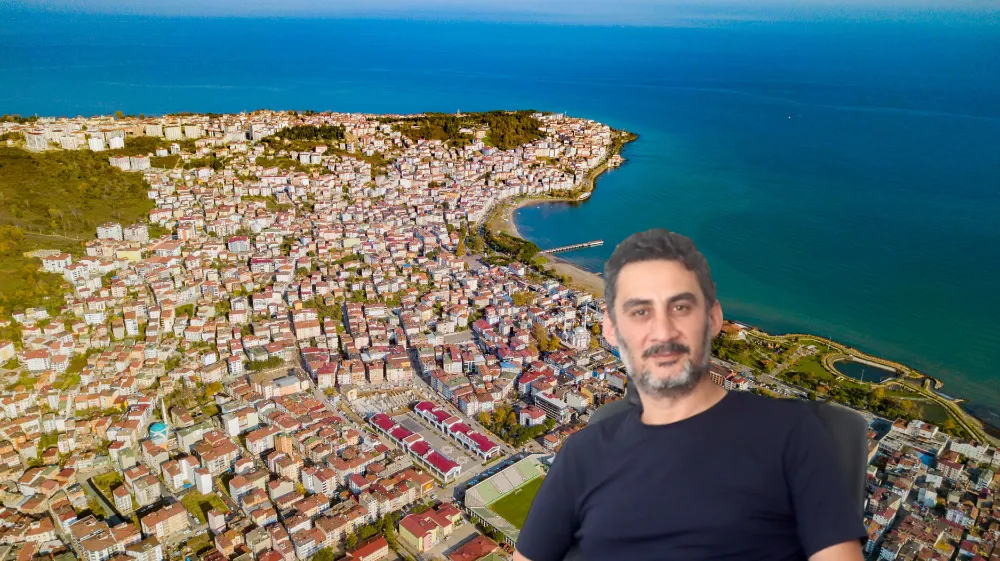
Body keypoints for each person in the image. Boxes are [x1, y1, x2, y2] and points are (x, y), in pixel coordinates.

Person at [513, 229, 867, 561]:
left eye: (681, 307)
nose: (662, 330)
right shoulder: (582, 454)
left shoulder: (795, 436)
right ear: (610, 328)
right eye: (639, 311)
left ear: (713, 318)